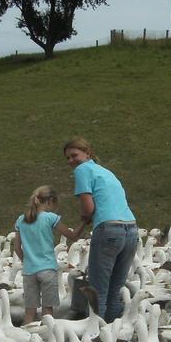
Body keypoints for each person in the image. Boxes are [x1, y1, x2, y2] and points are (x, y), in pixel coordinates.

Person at [63, 136, 138, 322]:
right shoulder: (106, 172)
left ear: (87, 153)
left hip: (109, 230)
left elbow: (88, 208)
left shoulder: (82, 170)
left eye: (74, 155)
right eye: (68, 158)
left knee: (98, 290)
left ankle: (96, 335)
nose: (71, 161)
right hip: (131, 230)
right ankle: (113, 336)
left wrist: (84, 217)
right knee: (115, 289)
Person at [13, 186, 87, 324]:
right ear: (50, 201)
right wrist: (84, 222)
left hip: (29, 272)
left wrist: (27, 262)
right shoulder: (50, 218)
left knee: (29, 312)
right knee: (48, 313)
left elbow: (17, 248)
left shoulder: (21, 220)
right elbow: (73, 236)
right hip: (47, 270)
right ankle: (47, 341)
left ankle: (27, 340)